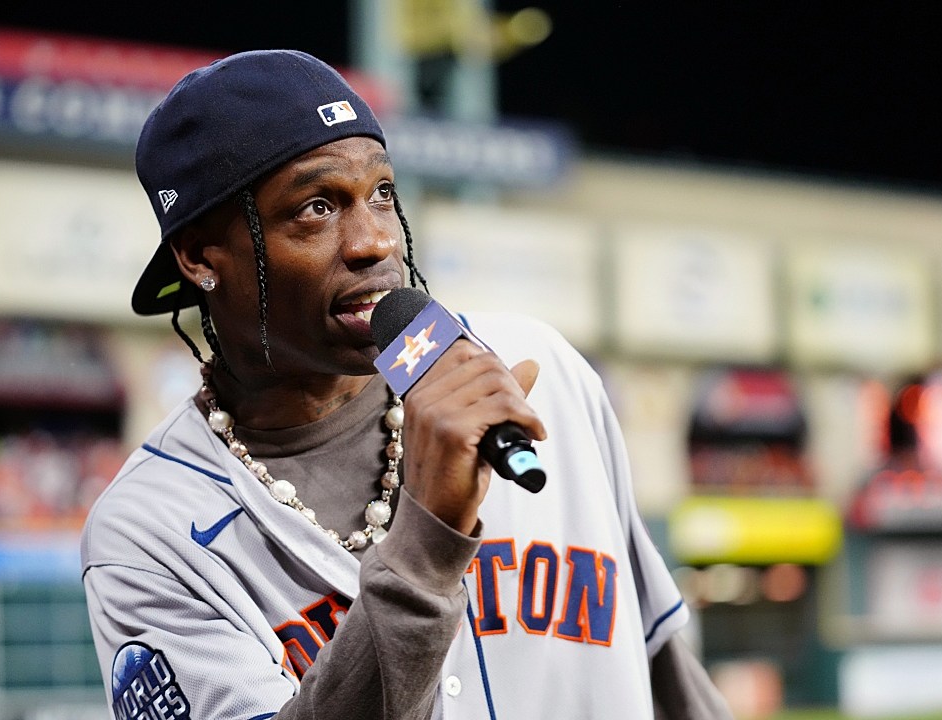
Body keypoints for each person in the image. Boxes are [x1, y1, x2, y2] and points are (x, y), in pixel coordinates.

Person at [81, 49, 732, 719]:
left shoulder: (535, 370)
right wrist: (426, 540)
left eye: (382, 194)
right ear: (197, 257)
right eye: (315, 207)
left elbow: (668, 673)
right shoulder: (147, 531)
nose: (373, 243)